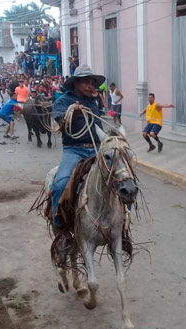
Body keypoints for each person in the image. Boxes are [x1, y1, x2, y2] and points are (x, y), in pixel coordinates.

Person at [51, 65, 105, 228]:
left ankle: (122, 223)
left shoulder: (93, 101)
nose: (91, 86)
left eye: (92, 83)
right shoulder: (63, 101)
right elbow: (59, 120)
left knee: (123, 179)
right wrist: (74, 113)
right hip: (75, 150)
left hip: (97, 148)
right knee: (60, 183)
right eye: (86, 82)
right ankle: (58, 222)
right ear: (75, 83)